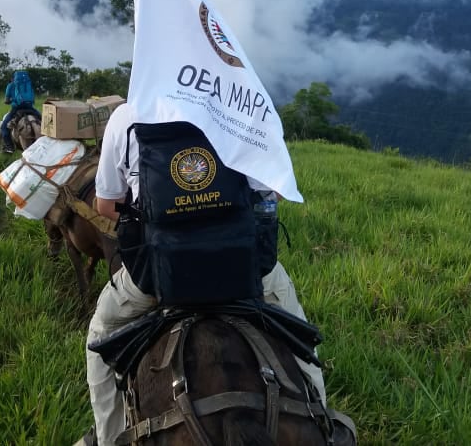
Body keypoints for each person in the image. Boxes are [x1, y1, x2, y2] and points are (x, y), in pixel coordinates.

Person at [80, 102, 327, 446]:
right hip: (243, 269)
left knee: (101, 332)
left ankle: (109, 438)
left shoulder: (127, 115)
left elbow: (106, 205)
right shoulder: (245, 104)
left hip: (159, 275)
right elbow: (275, 193)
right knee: (300, 336)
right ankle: (325, 424)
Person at [0, 70, 40, 148]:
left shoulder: (10, 85)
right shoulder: (28, 85)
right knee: (43, 121)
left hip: (17, 109)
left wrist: (10, 101)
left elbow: (6, 101)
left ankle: (9, 147)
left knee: (4, 127)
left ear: (13, 78)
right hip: (30, 108)